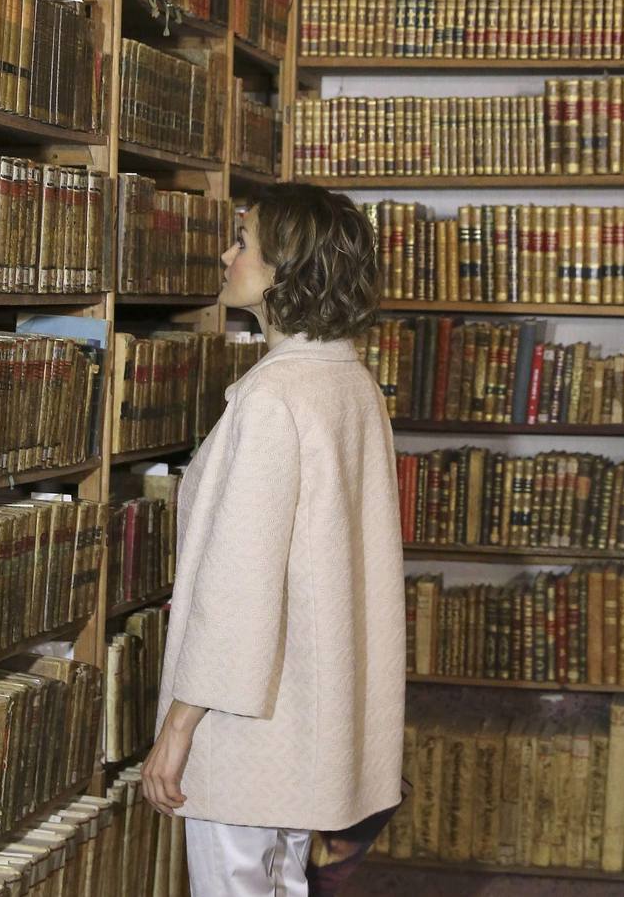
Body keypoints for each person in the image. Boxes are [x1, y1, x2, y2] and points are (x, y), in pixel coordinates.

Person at [141, 183, 406, 897]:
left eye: (243, 240)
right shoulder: (350, 381)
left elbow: (239, 584)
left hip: (247, 720)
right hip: (312, 716)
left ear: (288, 268)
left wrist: (179, 725)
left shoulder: (272, 398)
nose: (227, 254)